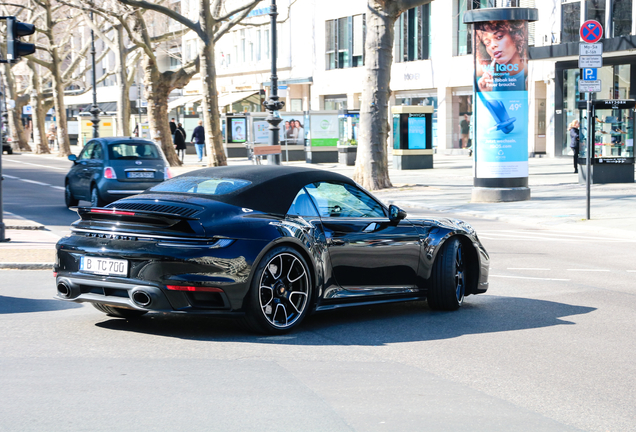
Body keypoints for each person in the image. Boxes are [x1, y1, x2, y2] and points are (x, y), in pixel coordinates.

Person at [475, 20, 527, 92]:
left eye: (499, 37)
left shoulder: (529, 73)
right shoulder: (484, 80)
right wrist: (487, 92)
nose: (493, 45)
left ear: (515, 36)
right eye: (487, 43)